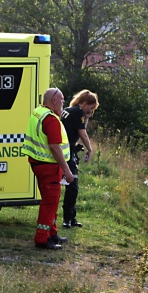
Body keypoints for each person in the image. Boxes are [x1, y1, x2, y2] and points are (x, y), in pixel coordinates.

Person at [21, 88, 74, 250]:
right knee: (50, 203)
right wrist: (67, 170)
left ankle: (52, 233)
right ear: (53, 101)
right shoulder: (50, 119)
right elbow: (54, 147)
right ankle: (42, 239)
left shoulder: (38, 112)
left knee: (51, 201)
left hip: (39, 163)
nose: (64, 102)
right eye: (62, 99)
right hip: (49, 166)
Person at [60, 89, 99, 229]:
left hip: (64, 150)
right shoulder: (77, 112)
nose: (92, 110)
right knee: (73, 187)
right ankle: (68, 218)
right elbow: (83, 134)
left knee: (71, 185)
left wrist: (87, 117)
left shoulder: (69, 110)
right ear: (84, 102)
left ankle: (71, 216)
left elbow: (80, 128)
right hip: (68, 151)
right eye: (91, 107)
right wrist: (89, 149)